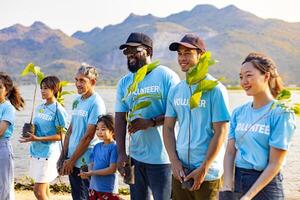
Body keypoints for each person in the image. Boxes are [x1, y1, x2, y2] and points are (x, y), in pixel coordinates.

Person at [163, 34, 230, 200]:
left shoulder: (215, 89)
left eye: (187, 53)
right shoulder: (175, 90)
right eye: (179, 54)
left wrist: (204, 167)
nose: (182, 58)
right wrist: (174, 161)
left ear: (201, 55)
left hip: (208, 174)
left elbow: (221, 131)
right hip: (181, 172)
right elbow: (168, 127)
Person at [221, 52, 296, 200]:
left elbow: (275, 163)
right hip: (239, 180)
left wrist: (248, 196)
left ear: (266, 76)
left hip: (267, 185)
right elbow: (230, 152)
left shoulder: (281, 112)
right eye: (241, 77)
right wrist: (227, 188)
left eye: (249, 75)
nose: (244, 82)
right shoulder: (238, 112)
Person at [115, 32, 180, 200]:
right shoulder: (125, 82)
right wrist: (121, 153)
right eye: (126, 51)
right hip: (135, 158)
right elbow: (120, 118)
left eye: (134, 50)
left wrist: (150, 122)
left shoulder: (166, 76)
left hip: (163, 158)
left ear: (149, 52)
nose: (129, 54)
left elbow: (179, 112)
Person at [59, 64, 106, 200]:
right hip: (72, 159)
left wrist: (72, 161)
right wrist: (63, 157)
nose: (77, 84)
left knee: (85, 196)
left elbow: (88, 136)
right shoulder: (77, 100)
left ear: (92, 82)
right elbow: (70, 131)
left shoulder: (96, 103)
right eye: (76, 80)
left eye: (82, 81)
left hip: (85, 161)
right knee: (77, 196)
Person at [19, 76, 68, 200]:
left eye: (46, 88)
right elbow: (38, 127)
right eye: (41, 88)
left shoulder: (58, 110)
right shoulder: (40, 107)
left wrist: (37, 139)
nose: (42, 91)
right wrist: (29, 133)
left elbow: (62, 136)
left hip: (48, 154)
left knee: (38, 192)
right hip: (36, 151)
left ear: (55, 89)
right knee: (45, 190)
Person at [79, 114, 123, 200]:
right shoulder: (96, 146)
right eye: (97, 129)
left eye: (103, 129)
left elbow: (112, 169)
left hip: (108, 189)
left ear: (113, 131)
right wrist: (86, 173)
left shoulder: (114, 147)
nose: (99, 132)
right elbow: (92, 163)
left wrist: (92, 173)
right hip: (94, 187)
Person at [0, 72, 25, 200]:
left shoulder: (7, 108)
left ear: (6, 91)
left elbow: (1, 131)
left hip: (2, 149)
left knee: (4, 188)